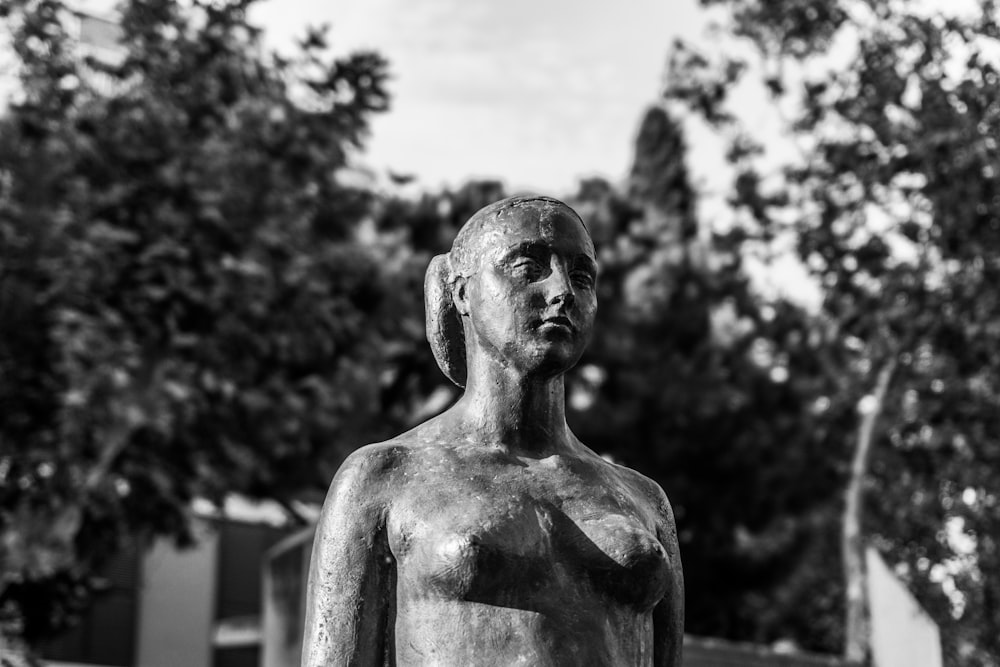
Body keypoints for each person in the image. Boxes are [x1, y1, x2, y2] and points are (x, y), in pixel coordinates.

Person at [302, 196, 683, 666]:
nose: (563, 290)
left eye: (582, 276)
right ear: (462, 293)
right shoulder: (383, 476)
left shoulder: (643, 500)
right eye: (528, 267)